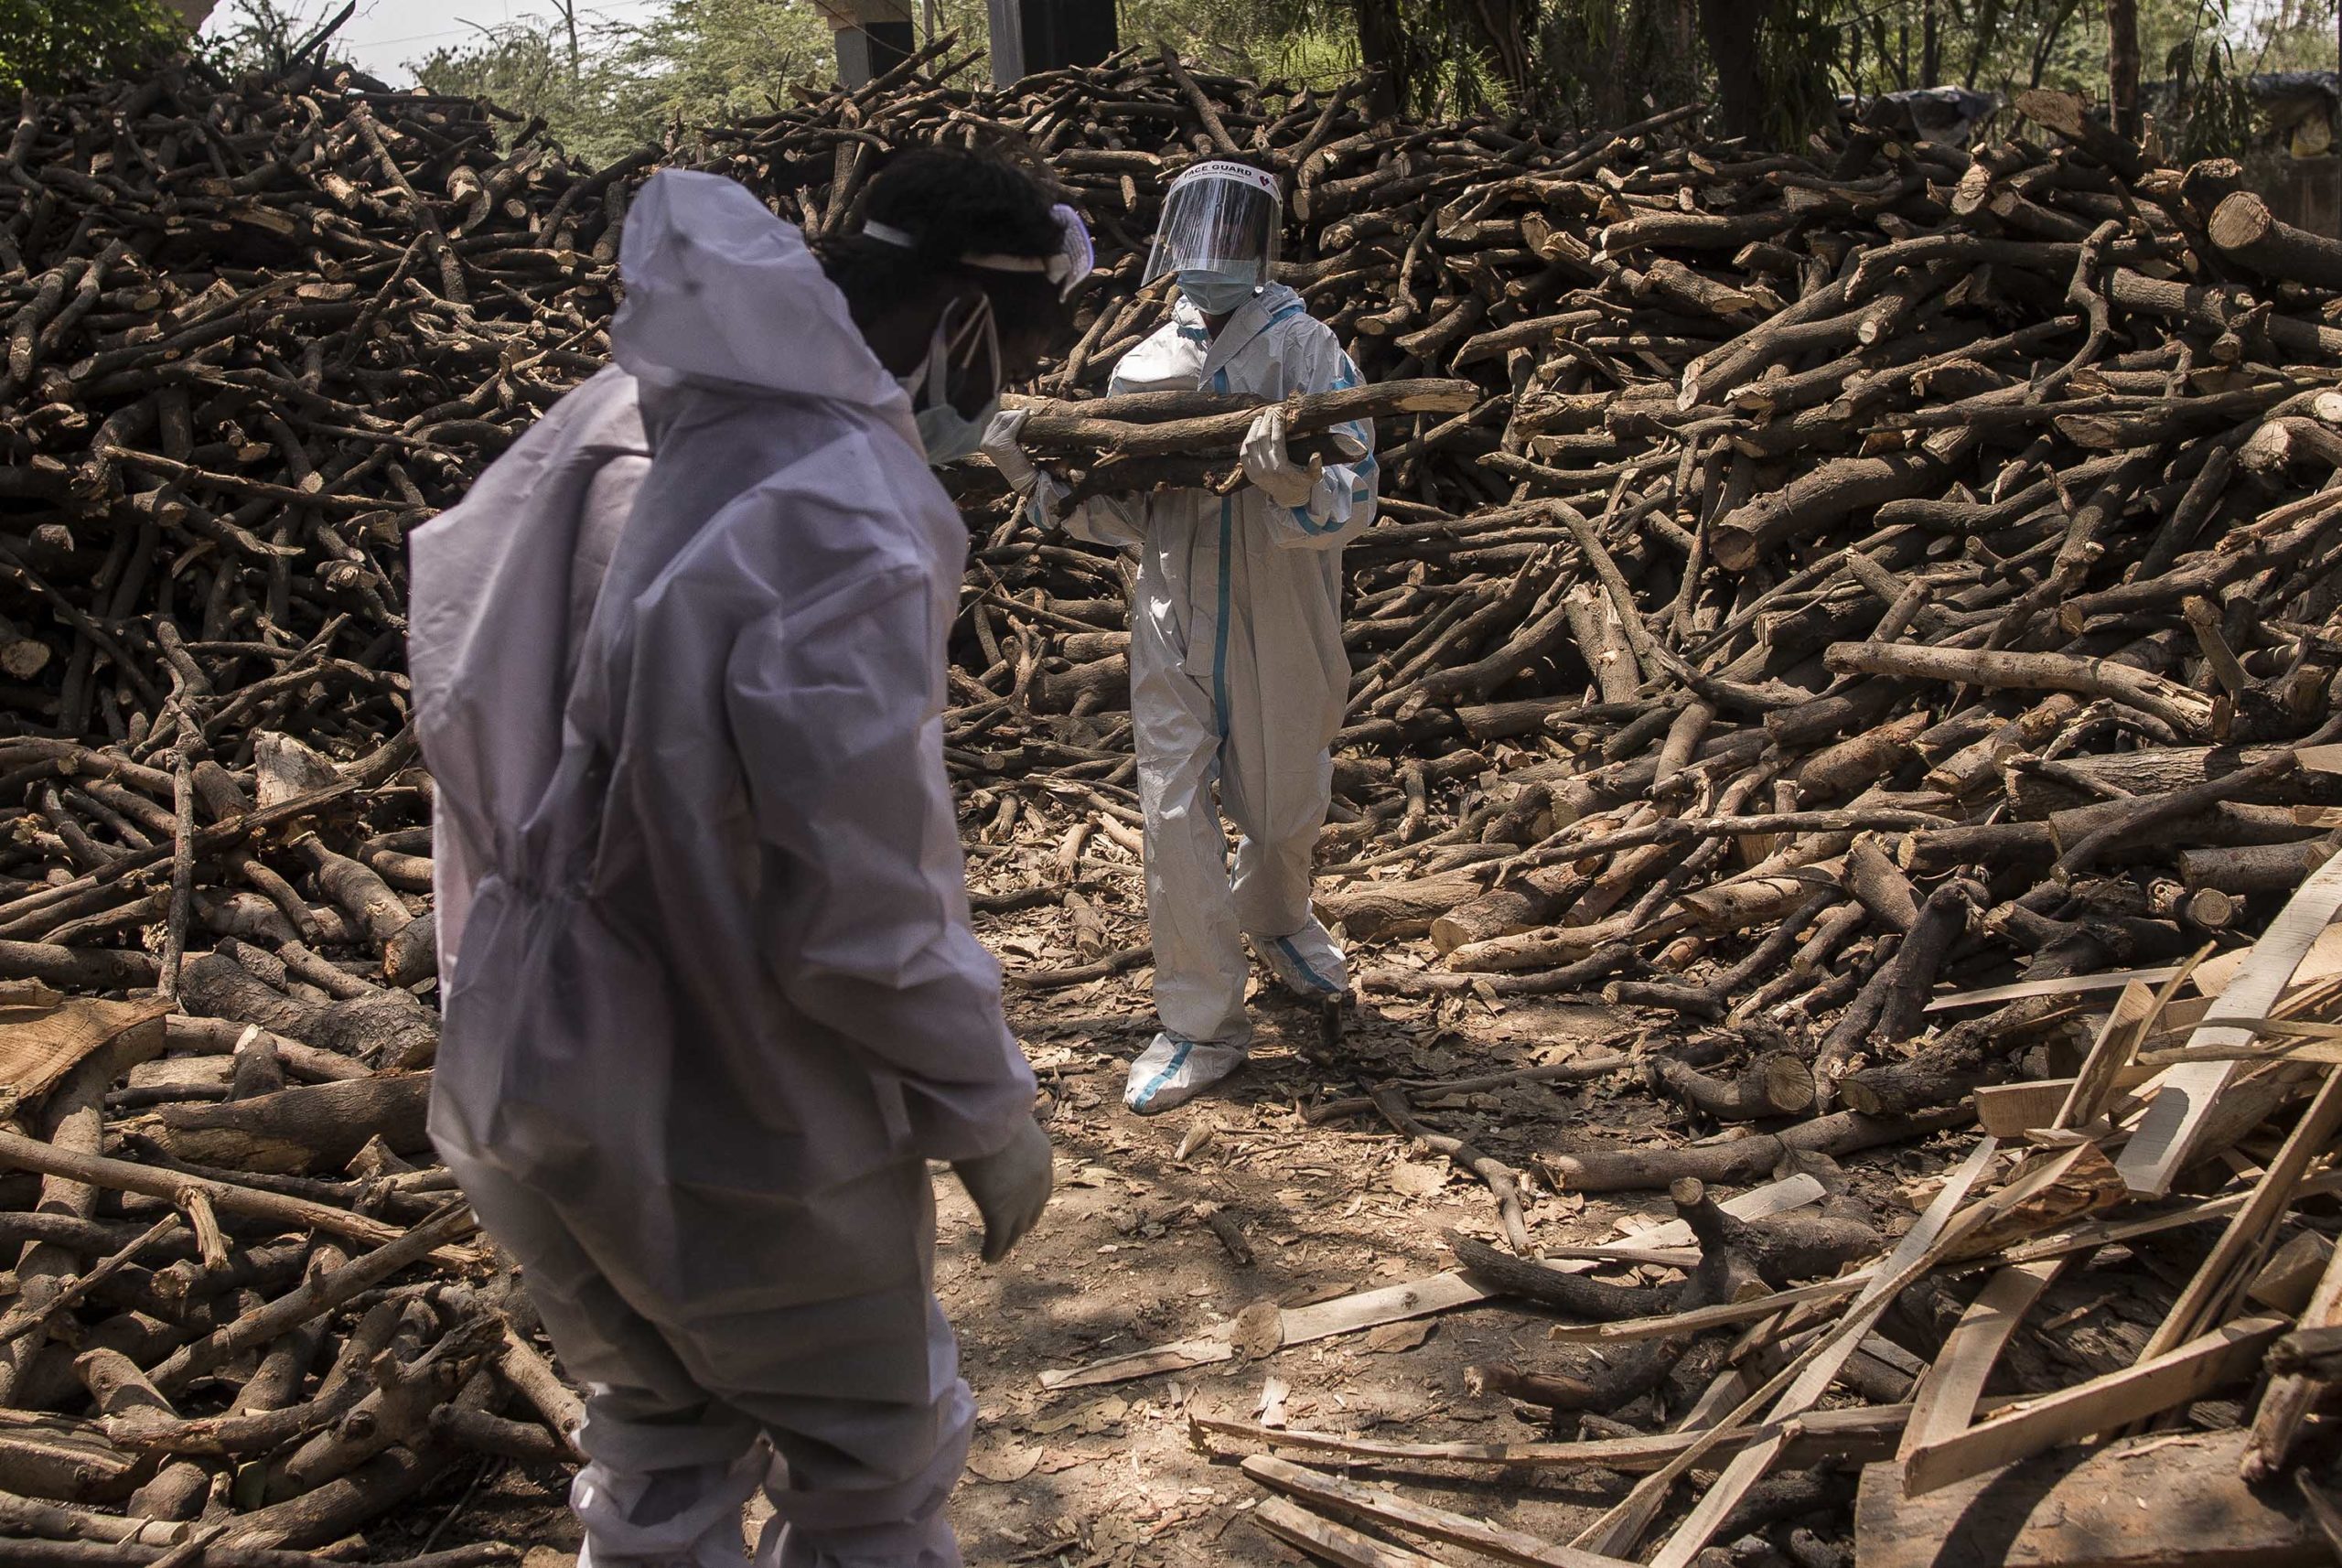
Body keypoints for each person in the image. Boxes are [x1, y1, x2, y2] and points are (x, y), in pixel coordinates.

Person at [406, 152, 1090, 1568]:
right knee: (870, 1462)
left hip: (517, 1051)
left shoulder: (612, 417)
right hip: (739, 1094)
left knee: (653, 1434)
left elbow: (465, 694)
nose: (1004, 390)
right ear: (964, 309)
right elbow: (858, 895)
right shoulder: (839, 501)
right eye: (1016, 352)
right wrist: (984, 1103)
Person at [982, 159, 1380, 1116]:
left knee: (1285, 804)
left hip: (1281, 609)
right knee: (1171, 814)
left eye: (1226, 239)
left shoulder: (1306, 351)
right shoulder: (1143, 367)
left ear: (1259, 245)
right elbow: (1113, 516)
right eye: (1191, 238)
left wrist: (1289, 483)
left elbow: (1356, 497)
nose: (1206, 258)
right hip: (1168, 612)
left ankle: (1279, 918)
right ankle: (1200, 1022)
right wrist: (1025, 477)